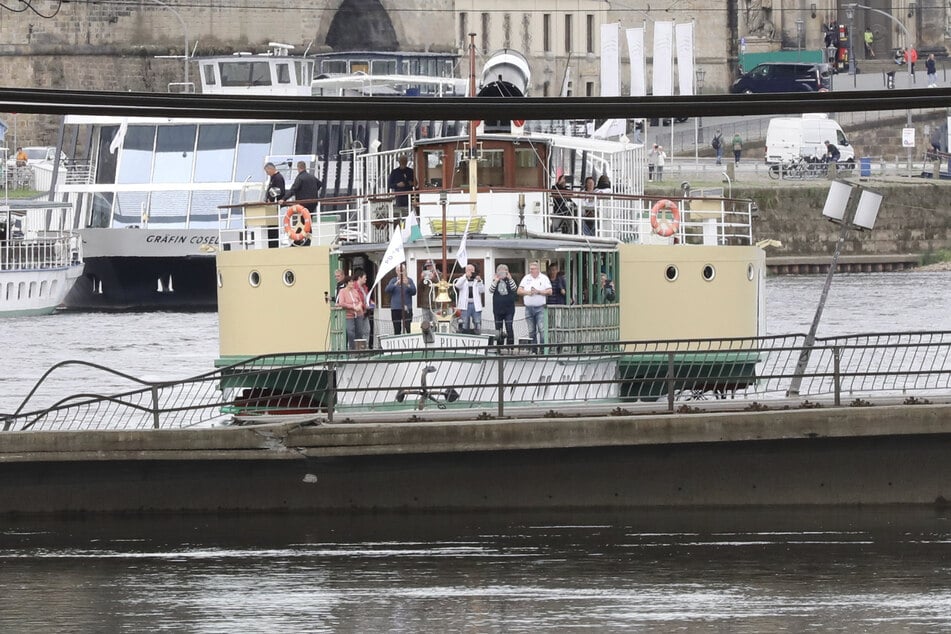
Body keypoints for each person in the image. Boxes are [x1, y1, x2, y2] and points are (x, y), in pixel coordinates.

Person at [517, 261, 553, 349]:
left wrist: (538, 292)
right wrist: (528, 292)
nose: (531, 270)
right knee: (531, 331)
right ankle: (533, 350)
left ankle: (542, 350)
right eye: (530, 269)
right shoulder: (526, 278)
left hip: (540, 308)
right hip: (528, 308)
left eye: (532, 269)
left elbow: (550, 291)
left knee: (542, 330)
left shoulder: (544, 278)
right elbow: (519, 291)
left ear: (537, 269)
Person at [489, 264, 518, 346]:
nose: (502, 273)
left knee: (509, 327)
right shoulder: (495, 281)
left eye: (503, 271)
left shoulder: (510, 280)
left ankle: (510, 346)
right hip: (497, 309)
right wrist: (496, 280)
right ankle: (499, 346)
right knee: (498, 329)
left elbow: (514, 289)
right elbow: (490, 290)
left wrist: (510, 278)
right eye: (499, 271)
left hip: (509, 310)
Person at [336, 275, 367, 350]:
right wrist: (353, 307)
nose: (352, 283)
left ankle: (360, 350)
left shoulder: (355, 291)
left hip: (359, 314)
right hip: (349, 315)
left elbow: (360, 301)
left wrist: (359, 306)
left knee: (359, 332)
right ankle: (352, 349)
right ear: (347, 283)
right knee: (350, 332)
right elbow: (342, 303)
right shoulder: (342, 291)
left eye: (353, 281)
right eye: (350, 282)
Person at [385, 263, 416, 334]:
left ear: (405, 271)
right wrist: (396, 284)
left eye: (403, 270)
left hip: (407, 308)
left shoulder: (409, 280)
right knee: (397, 328)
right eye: (399, 270)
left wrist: (407, 285)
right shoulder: (393, 280)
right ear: (396, 271)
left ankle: (409, 343)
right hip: (396, 308)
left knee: (408, 328)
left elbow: (414, 292)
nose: (401, 272)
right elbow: (387, 290)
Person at [454, 263, 485, 334]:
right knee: (464, 323)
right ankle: (465, 338)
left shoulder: (477, 280)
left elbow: (482, 291)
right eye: (469, 270)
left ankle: (478, 338)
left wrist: (480, 281)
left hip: (475, 305)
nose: (471, 272)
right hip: (465, 305)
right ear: (466, 271)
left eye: (472, 270)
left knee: (477, 323)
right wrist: (465, 277)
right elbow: (457, 285)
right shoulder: (462, 279)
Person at [353, 268, 374, 348]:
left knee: (367, 330)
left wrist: (371, 302)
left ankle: (365, 347)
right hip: (358, 314)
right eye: (364, 277)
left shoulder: (364, 287)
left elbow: (367, 298)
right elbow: (356, 301)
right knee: (359, 332)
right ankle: (359, 349)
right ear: (359, 277)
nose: (366, 279)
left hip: (365, 313)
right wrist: (366, 306)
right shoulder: (354, 288)